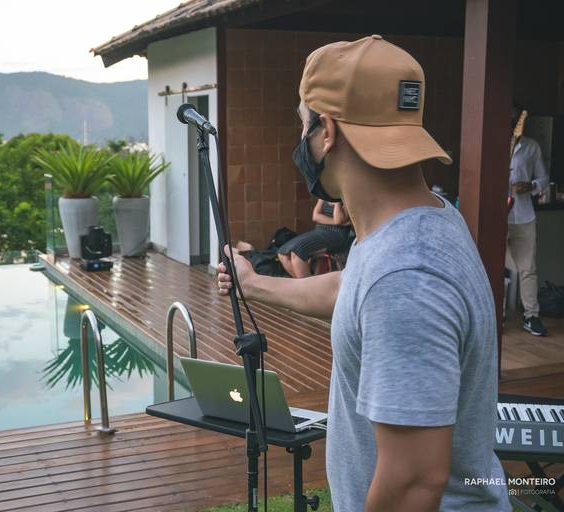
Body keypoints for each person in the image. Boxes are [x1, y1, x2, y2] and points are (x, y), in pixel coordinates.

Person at [217, 36, 510, 511]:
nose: (302, 142)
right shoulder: (422, 217)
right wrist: (253, 285)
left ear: (326, 131)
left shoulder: (405, 276)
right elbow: (350, 288)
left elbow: (413, 483)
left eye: (303, 125)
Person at [507, 103, 549, 336]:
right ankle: (497, 314)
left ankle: (531, 315)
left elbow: (543, 178)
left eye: (517, 118)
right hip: (497, 213)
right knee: (495, 267)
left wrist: (531, 186)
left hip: (522, 214)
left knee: (527, 268)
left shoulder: (531, 147)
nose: (513, 123)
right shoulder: (491, 143)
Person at [277, 199, 352, 278]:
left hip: (337, 234)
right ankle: (304, 287)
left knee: (298, 252)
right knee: (282, 253)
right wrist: (335, 222)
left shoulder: (346, 196)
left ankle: (307, 288)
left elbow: (339, 220)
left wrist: (337, 202)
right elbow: (315, 216)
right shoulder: (324, 193)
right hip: (320, 230)